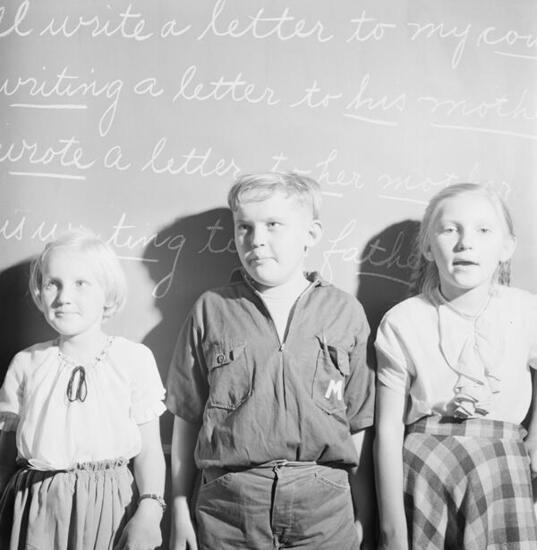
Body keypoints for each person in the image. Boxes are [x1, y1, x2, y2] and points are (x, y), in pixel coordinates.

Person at [166, 172, 376, 550]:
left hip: (324, 506)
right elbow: (187, 418)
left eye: (273, 225)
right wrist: (180, 507)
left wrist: (365, 515)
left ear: (311, 234)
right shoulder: (211, 309)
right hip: (229, 508)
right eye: (244, 227)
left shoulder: (345, 312)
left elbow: (358, 424)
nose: (256, 239)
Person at [374, 183, 537, 550]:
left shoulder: (527, 311)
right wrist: (391, 529)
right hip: (425, 469)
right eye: (450, 230)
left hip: (503, 468)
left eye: (483, 230)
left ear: (507, 247)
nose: (465, 243)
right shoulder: (403, 321)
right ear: (427, 247)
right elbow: (388, 428)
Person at [0, 229, 166, 550]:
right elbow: (4, 460)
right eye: (53, 283)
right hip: (35, 508)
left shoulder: (133, 359)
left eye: (81, 283)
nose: (64, 297)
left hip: (110, 506)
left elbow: (149, 450)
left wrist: (150, 510)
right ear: (39, 293)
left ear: (107, 293)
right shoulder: (26, 363)